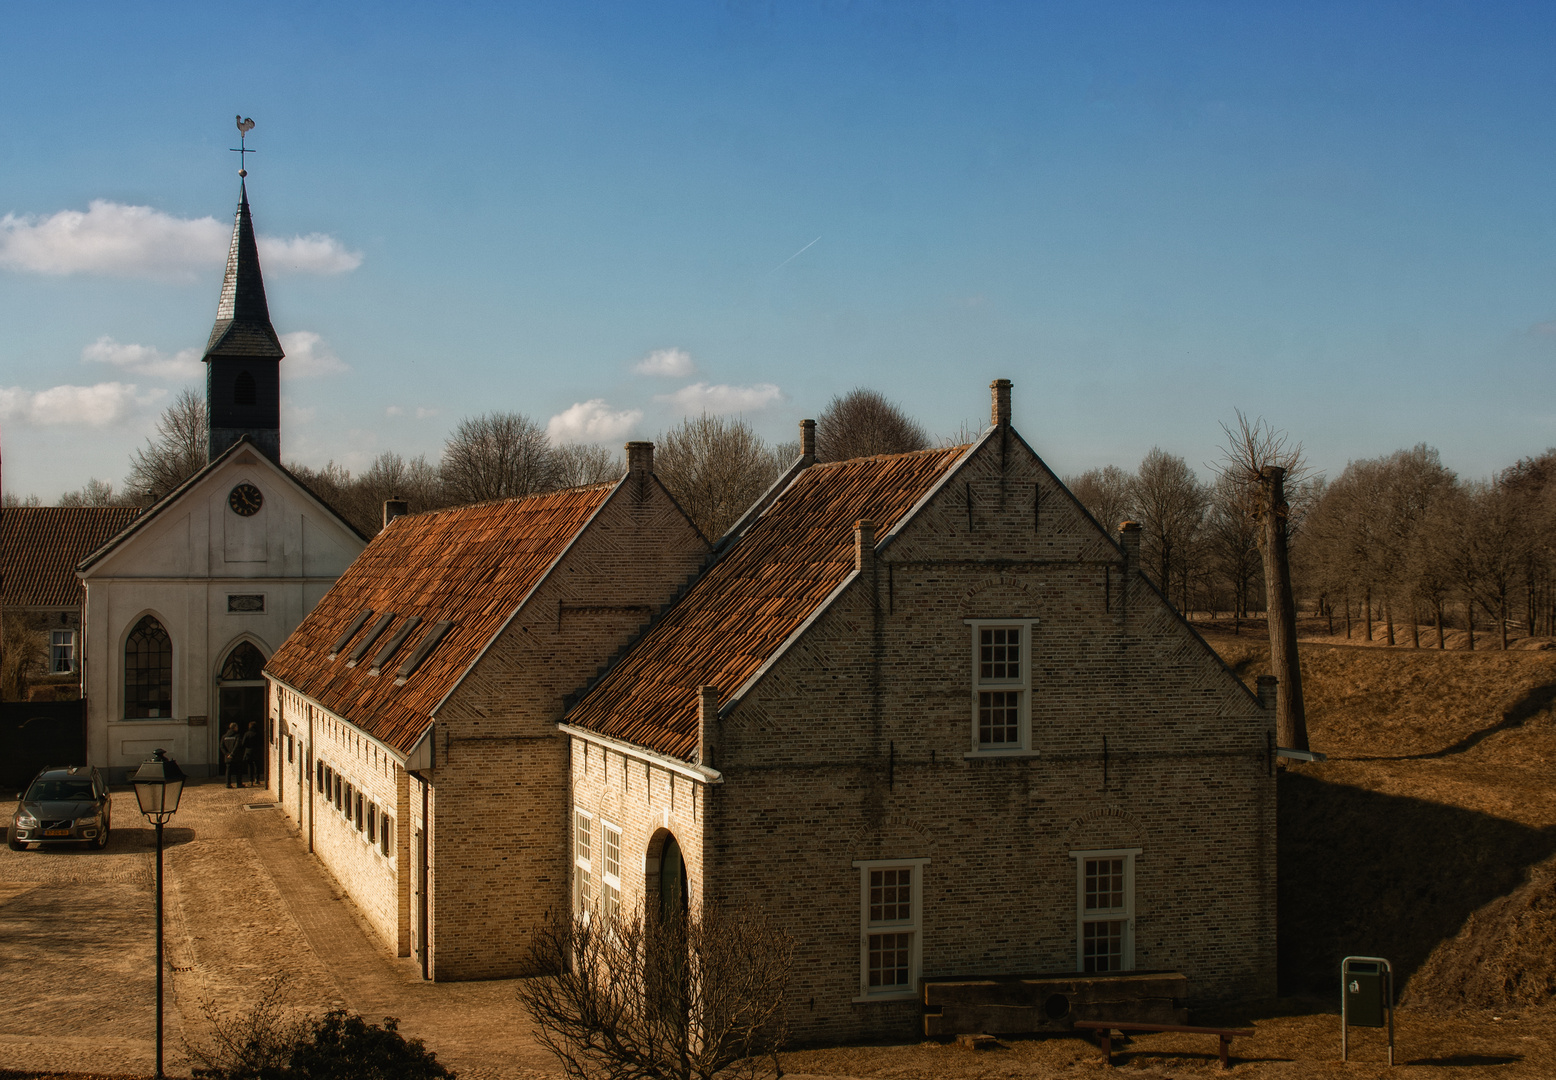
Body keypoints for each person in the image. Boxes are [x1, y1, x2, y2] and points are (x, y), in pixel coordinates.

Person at [221, 722, 243, 788]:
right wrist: (232, 754)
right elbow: (237, 746)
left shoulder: (224, 736)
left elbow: (222, 746)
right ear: (235, 728)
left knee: (228, 771)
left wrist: (227, 754)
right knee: (238, 770)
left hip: (227, 757)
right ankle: (239, 783)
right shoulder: (237, 736)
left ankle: (228, 784)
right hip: (236, 756)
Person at [242, 721, 263, 786]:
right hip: (257, 751)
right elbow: (262, 742)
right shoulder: (258, 734)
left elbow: (243, 743)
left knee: (250, 766)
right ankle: (257, 779)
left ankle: (251, 780)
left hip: (249, 751)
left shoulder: (247, 734)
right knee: (257, 766)